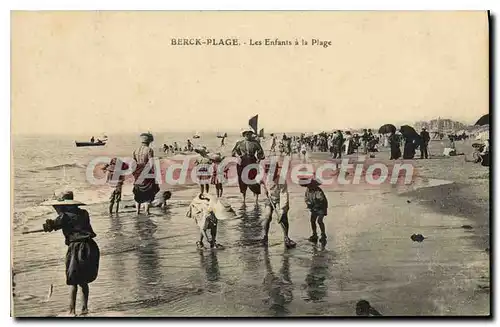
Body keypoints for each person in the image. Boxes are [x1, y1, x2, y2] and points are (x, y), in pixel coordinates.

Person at [41, 191, 100, 316]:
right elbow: (63, 221)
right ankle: (84, 309)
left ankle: (71, 311)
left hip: (77, 248)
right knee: (83, 281)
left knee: (73, 279)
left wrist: (48, 226)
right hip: (90, 246)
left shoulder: (64, 216)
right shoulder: (84, 213)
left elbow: (54, 224)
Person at [260, 160, 297, 249]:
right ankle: (265, 236)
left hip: (280, 200)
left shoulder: (281, 180)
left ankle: (286, 237)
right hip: (269, 199)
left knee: (283, 217)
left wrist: (281, 210)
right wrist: (264, 191)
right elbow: (262, 185)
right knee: (267, 216)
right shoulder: (265, 177)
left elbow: (283, 194)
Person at [232, 128, 265, 204]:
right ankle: (243, 199)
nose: (248, 135)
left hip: (252, 161)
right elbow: (233, 152)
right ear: (244, 135)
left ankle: (256, 199)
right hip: (242, 162)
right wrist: (238, 156)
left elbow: (261, 152)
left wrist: (259, 159)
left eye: (249, 134)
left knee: (254, 179)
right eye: (246, 134)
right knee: (242, 180)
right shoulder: (240, 143)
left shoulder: (255, 143)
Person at [132, 132, 160, 215]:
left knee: (138, 193)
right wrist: (154, 175)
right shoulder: (149, 150)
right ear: (149, 141)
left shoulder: (135, 150)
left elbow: (134, 163)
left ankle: (137, 212)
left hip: (137, 173)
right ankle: (147, 212)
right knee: (148, 192)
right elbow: (151, 164)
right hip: (146, 173)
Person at [302, 178, 328, 246]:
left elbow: (321, 200)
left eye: (310, 185)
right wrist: (308, 203)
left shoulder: (318, 190)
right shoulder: (308, 190)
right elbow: (306, 198)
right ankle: (314, 234)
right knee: (312, 220)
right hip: (314, 207)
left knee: (319, 220)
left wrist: (314, 205)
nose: (309, 186)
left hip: (321, 207)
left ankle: (323, 235)